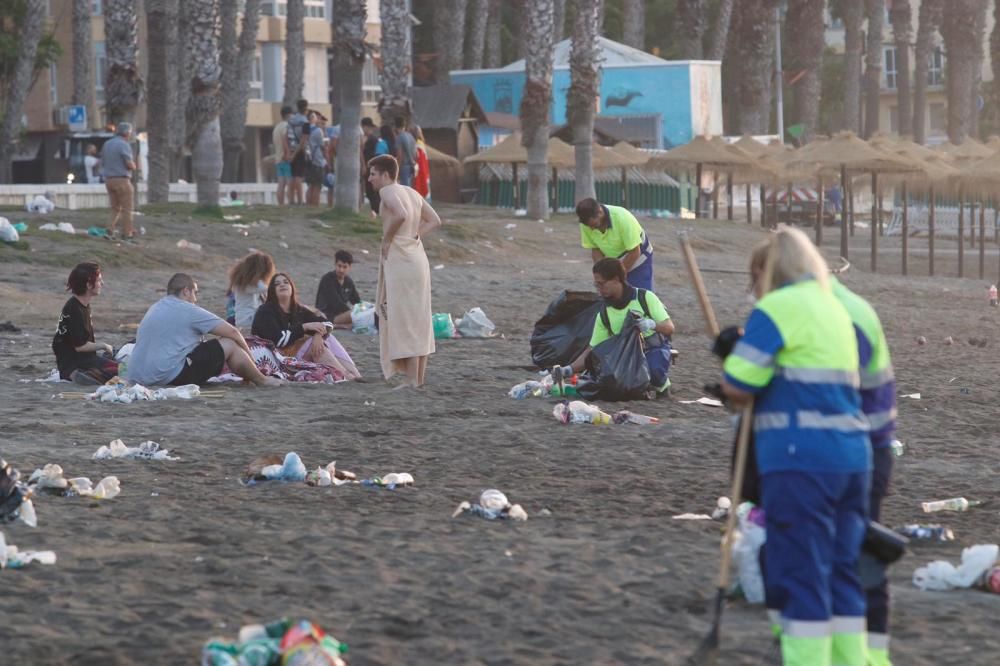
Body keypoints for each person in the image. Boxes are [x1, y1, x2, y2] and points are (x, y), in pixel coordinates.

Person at [720, 227, 871, 666]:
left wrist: (732, 354)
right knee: (842, 573)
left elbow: (741, 386)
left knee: (801, 575)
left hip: (800, 459)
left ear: (768, 271)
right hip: (852, 458)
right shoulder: (834, 308)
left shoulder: (777, 307)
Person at [127, 273, 281, 387]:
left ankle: (251, 374)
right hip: (165, 377)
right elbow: (233, 332)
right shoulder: (188, 310)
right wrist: (254, 365)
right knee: (229, 343)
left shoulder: (155, 307)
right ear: (186, 291)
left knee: (211, 347)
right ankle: (261, 380)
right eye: (195, 292)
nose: (196, 299)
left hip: (137, 377)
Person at [369, 154, 442, 387]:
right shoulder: (412, 192)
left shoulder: (387, 191)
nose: (370, 179)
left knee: (405, 318)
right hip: (417, 257)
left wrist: (388, 239)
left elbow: (400, 214)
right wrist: (414, 236)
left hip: (401, 261)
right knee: (418, 317)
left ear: (386, 174)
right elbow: (434, 221)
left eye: (373, 174)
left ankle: (411, 380)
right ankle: (417, 379)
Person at [568, 258, 674, 394]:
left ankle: (663, 385)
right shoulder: (604, 314)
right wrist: (568, 369)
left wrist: (651, 324)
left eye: (601, 284)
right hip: (625, 357)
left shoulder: (645, 297)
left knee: (653, 371)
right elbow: (593, 350)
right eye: (596, 285)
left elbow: (669, 328)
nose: (599, 290)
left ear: (616, 279)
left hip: (653, 349)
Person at [252, 273, 360, 380]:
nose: (282, 285)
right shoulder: (266, 311)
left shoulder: (298, 310)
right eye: (277, 283)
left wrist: (319, 334)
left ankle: (356, 374)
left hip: (293, 355)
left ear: (292, 288)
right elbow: (279, 340)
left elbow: (327, 323)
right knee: (311, 344)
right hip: (278, 360)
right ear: (272, 290)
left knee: (328, 338)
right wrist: (304, 327)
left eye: (286, 282)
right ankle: (346, 375)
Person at [52, 262, 119, 384]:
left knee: (115, 359)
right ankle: (83, 376)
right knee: (124, 370)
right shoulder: (74, 309)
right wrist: (103, 345)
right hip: (75, 366)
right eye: (99, 280)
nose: (102, 284)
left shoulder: (82, 305)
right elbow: (80, 346)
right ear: (88, 284)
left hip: (85, 360)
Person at [576, 198, 654, 291]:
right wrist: (602, 274)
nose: (592, 229)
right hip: (614, 259)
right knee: (613, 294)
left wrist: (618, 276)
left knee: (639, 294)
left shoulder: (622, 217)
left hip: (638, 256)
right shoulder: (587, 224)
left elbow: (634, 252)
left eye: (595, 225)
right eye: (589, 226)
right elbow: (596, 249)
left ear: (600, 212)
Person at [100, 122, 137, 242]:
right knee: (127, 209)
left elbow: (103, 162)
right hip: (122, 179)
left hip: (109, 180)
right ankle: (127, 234)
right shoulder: (123, 145)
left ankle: (109, 230)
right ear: (127, 133)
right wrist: (134, 166)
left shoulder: (107, 144)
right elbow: (129, 164)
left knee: (114, 208)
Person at [228, 251, 276, 332]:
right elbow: (266, 288)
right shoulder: (245, 284)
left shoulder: (246, 283)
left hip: (245, 319)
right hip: (247, 320)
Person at [315, 250, 362, 328]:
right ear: (335, 265)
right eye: (339, 266)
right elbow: (336, 303)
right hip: (326, 315)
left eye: (344, 267)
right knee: (354, 314)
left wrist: (363, 308)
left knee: (366, 311)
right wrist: (353, 312)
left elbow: (356, 300)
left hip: (341, 314)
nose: (341, 270)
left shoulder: (348, 281)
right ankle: (336, 325)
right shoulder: (327, 279)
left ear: (350, 267)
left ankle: (340, 325)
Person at [287, 99, 310, 205]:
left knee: (292, 175)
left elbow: (287, 136)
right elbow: (304, 139)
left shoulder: (291, 120)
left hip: (291, 149)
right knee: (299, 176)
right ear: (305, 107)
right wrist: (296, 153)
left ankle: (291, 200)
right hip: (299, 151)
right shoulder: (305, 121)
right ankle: (300, 200)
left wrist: (290, 153)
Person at [305, 112, 328, 206]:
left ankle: (309, 204)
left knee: (311, 185)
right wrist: (327, 160)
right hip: (318, 161)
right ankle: (315, 205)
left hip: (309, 160)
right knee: (317, 186)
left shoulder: (306, 130)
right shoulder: (318, 131)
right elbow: (323, 147)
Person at [273, 105, 293, 205]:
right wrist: (287, 154)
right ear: (289, 115)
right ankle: (290, 203)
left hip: (278, 158)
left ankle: (280, 204)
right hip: (285, 158)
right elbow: (285, 140)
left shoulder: (277, 127)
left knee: (281, 183)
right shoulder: (286, 126)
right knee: (290, 183)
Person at [361, 117, 382, 215]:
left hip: (370, 166)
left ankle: (376, 210)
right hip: (369, 166)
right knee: (370, 191)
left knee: (371, 191)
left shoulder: (372, 139)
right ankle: (375, 210)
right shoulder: (370, 139)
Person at [394, 117, 417, 187]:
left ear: (395, 126)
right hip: (412, 167)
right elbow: (416, 154)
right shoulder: (411, 136)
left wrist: (396, 170)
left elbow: (400, 155)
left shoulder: (399, 137)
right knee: (410, 190)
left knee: (404, 191)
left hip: (404, 167)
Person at [411, 124, 430, 199]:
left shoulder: (418, 143)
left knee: (419, 184)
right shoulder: (419, 143)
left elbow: (420, 158)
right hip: (421, 167)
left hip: (420, 167)